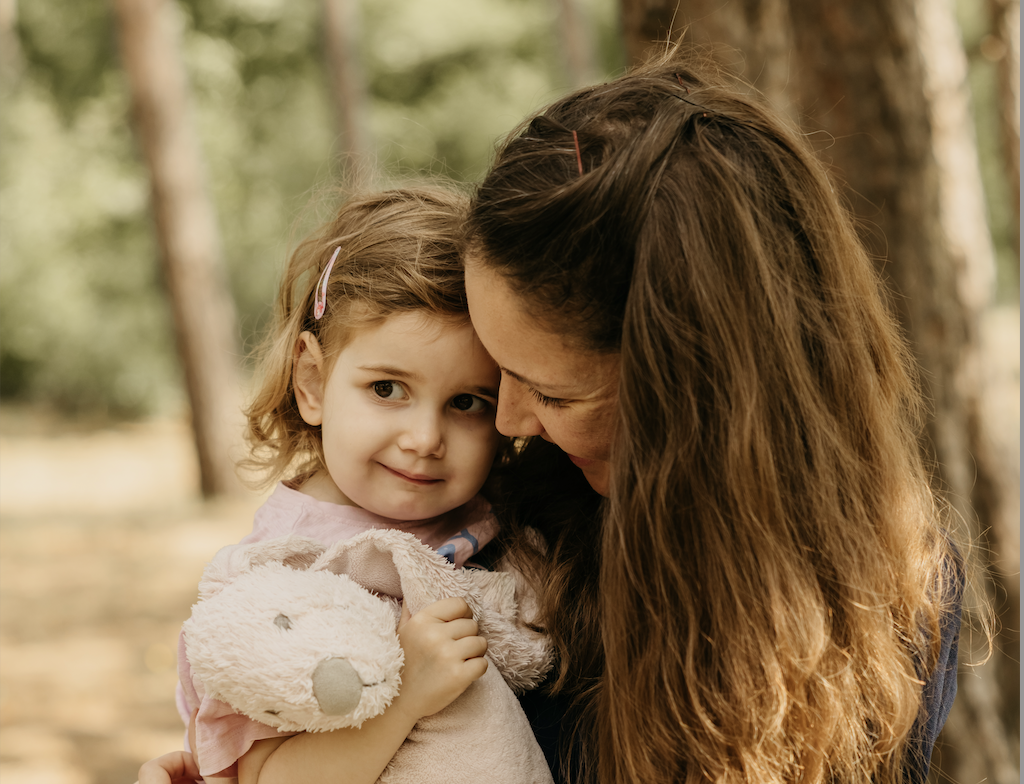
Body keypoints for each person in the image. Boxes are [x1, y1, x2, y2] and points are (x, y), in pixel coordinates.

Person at [463, 51, 962, 784]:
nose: (509, 421)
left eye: (555, 395)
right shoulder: (496, 554)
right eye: (494, 371)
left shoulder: (898, 589)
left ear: (697, 400)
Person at [138, 187, 542, 784]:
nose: (425, 438)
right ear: (313, 381)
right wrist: (405, 698)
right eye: (387, 389)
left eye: (466, 402)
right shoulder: (280, 577)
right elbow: (265, 778)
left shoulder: (496, 515)